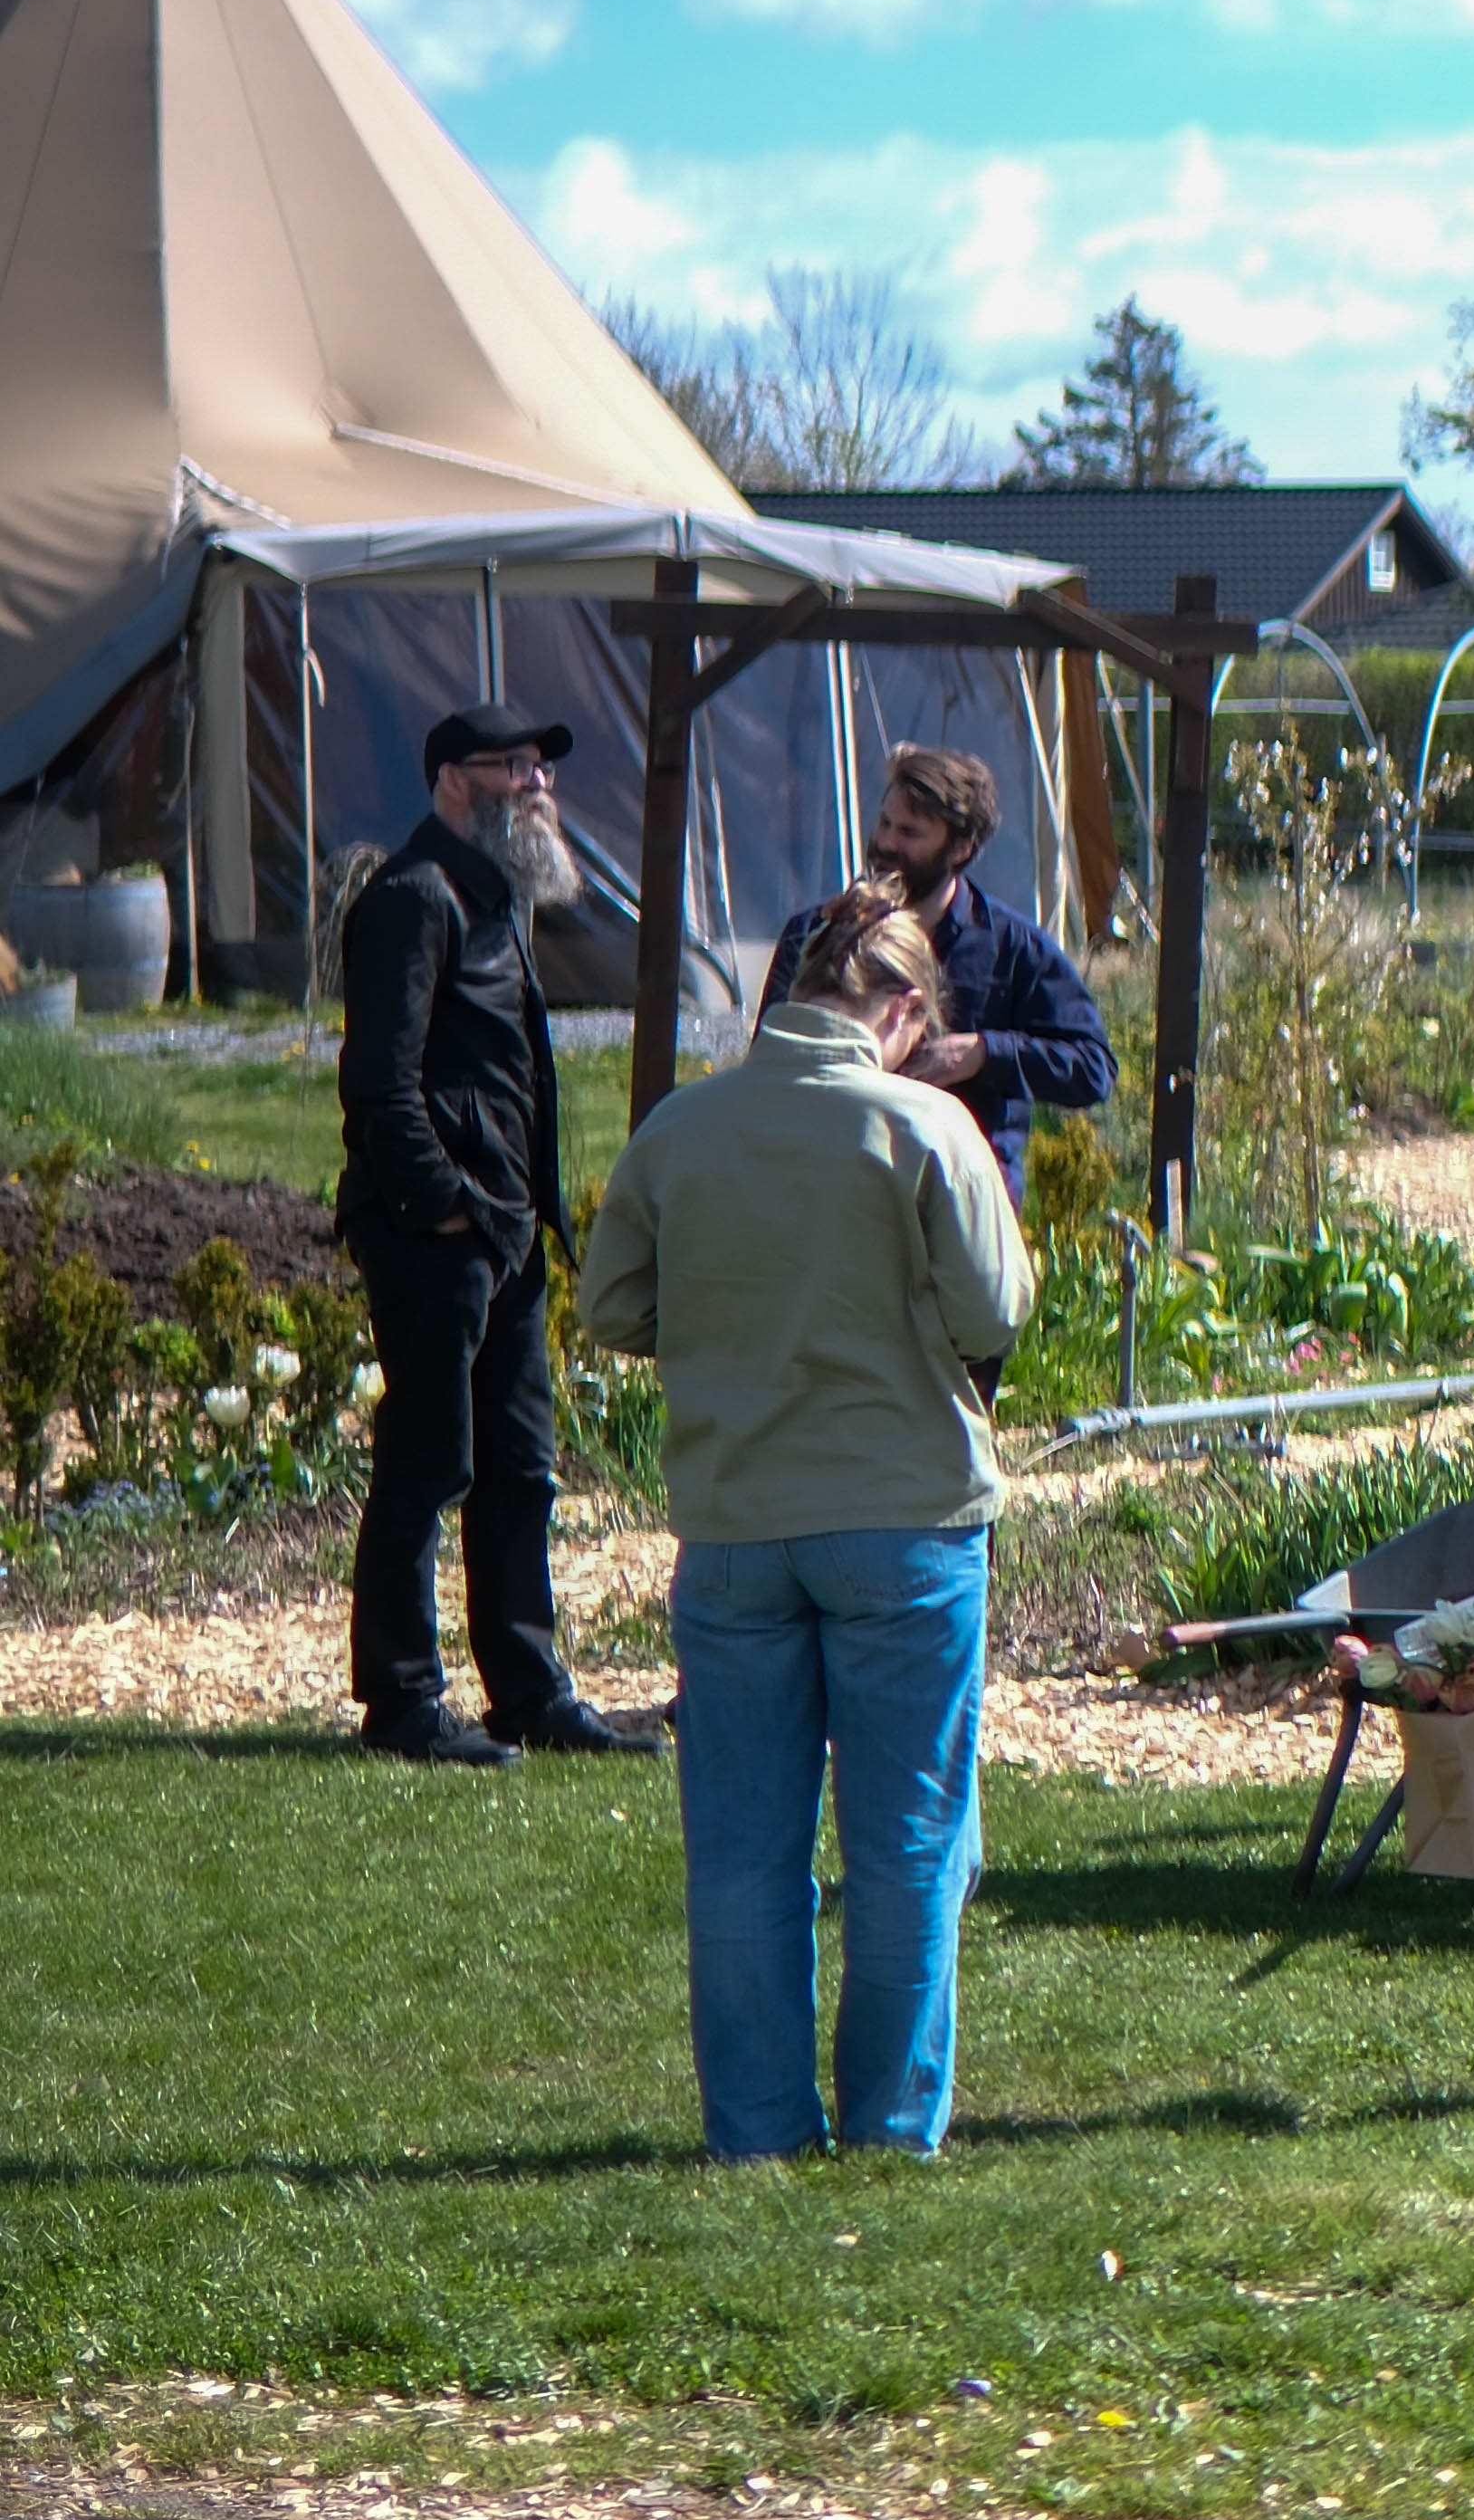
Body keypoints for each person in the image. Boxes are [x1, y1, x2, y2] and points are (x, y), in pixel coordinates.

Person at [576, 886, 1032, 2158]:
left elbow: (615, 1308)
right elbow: (993, 1314)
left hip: (736, 1524)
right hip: (903, 1519)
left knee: (740, 1854)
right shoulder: (923, 1126)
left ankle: (759, 2132)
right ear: (896, 1007)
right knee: (907, 1846)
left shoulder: (680, 1131)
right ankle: (891, 2126)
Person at [339, 704, 627, 1766]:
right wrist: (443, 1205)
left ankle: (527, 1692)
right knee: (427, 1462)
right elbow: (378, 1086)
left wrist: (509, 1218)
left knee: (520, 1469)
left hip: (503, 1235)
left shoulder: (495, 899)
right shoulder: (415, 898)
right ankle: (404, 1702)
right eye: (516, 766)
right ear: (455, 781)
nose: (540, 784)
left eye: (543, 766)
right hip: (440, 1237)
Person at [858, 742, 1115, 1202]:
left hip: (965, 1206)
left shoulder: (1014, 949)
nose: (885, 844)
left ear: (960, 847)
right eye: (885, 824)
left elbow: (1093, 1068)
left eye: (910, 833)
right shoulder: (826, 935)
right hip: (851, 1193)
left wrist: (983, 1053)